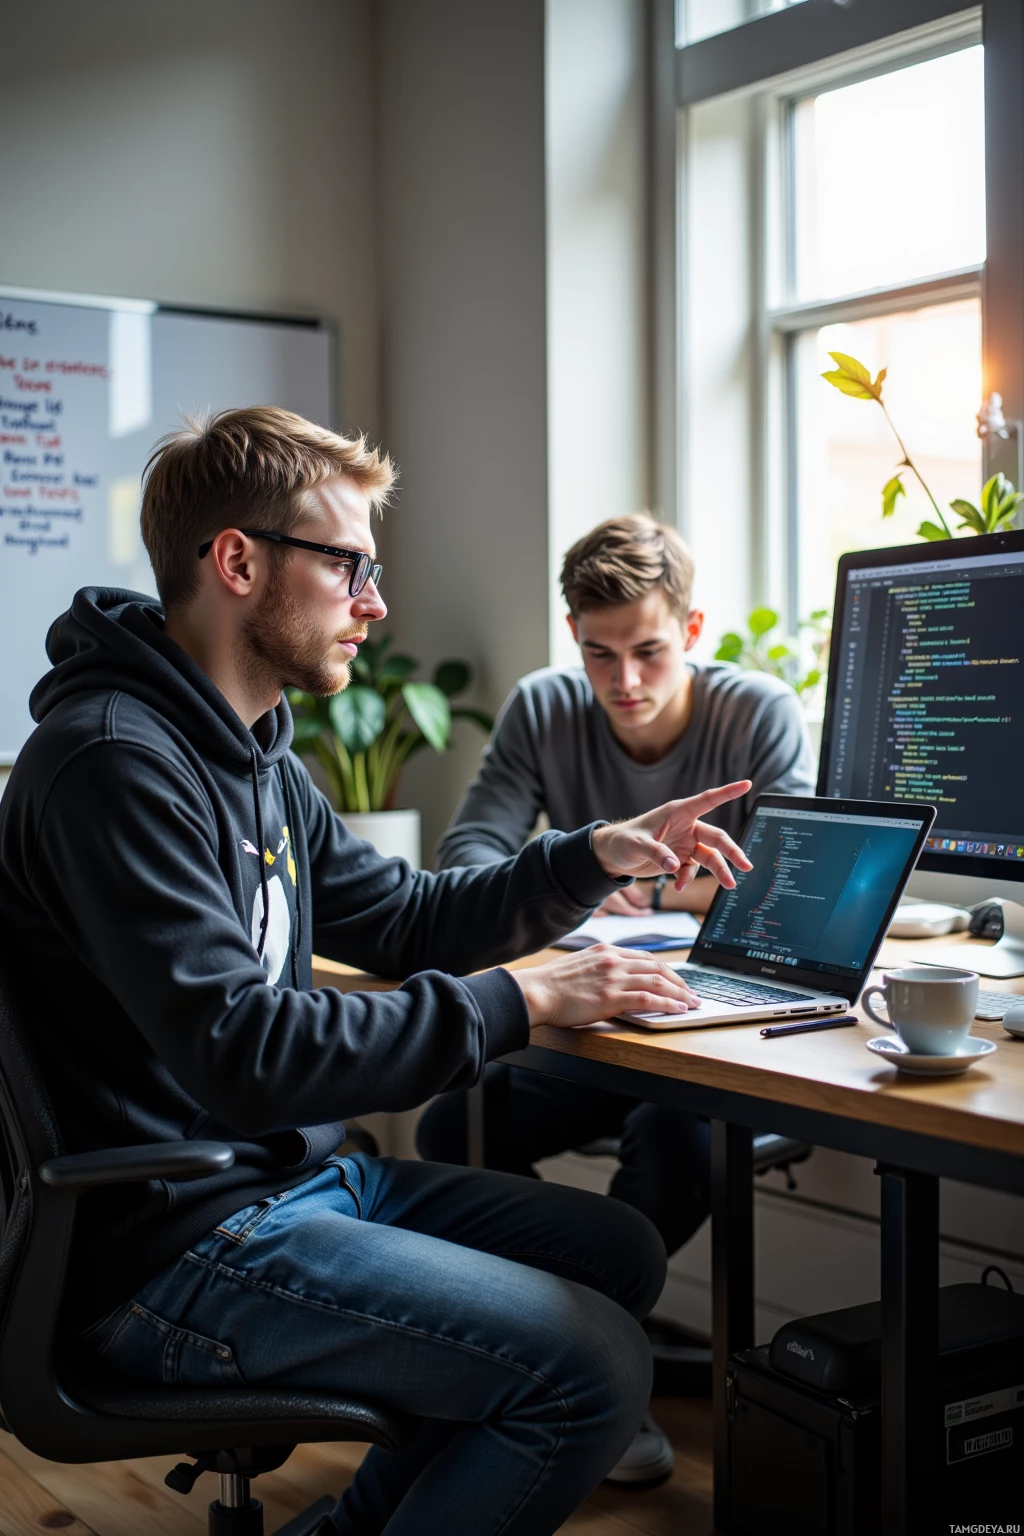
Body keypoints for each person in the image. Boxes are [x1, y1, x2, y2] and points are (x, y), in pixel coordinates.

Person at [0, 410, 753, 1536]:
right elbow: (246, 1054)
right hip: (168, 1243)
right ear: (239, 562)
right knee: (590, 1366)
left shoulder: (254, 751)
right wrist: (523, 997)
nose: (375, 602)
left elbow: (404, 917)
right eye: (348, 565)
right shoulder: (115, 763)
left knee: (616, 1252)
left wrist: (591, 856)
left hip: (283, 1185)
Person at [419, 511, 815, 1484]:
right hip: (601, 1017)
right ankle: (577, 1354)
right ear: (573, 637)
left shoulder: (755, 711)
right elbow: (466, 860)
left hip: (717, 1036)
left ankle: (580, 1362)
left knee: (675, 1140)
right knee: (453, 1122)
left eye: (647, 650)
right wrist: (600, 875)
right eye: (599, 654)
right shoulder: (543, 708)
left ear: (693, 629)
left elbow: (790, 883)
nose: (624, 681)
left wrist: (627, 885)